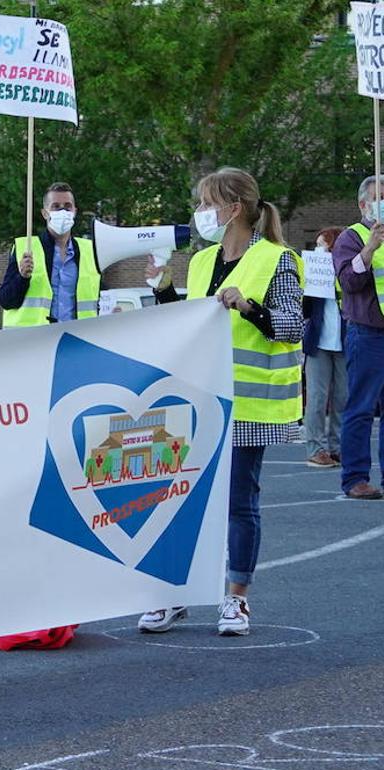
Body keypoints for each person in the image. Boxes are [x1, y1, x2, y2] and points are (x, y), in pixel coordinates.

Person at [143, 167, 303, 637]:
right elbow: (188, 324)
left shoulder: (278, 259)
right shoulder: (200, 261)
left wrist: (249, 307)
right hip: (197, 399)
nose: (198, 212)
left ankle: (236, 599)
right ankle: (175, 593)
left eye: (204, 203)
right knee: (179, 499)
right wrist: (163, 290)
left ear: (232, 208)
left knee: (237, 501)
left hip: (249, 405)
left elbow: (294, 327)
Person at [332, 176, 384, 499]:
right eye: (379, 197)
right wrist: (369, 250)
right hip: (366, 333)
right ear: (364, 205)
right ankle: (355, 478)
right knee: (362, 407)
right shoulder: (352, 238)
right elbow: (348, 282)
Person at [0, 182, 100, 327]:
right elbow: (6, 301)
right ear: (45, 213)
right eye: (56, 206)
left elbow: (98, 299)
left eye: (67, 206)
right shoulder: (25, 247)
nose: (63, 211)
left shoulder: (90, 250)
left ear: (75, 212)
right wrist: (22, 278)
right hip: (35, 340)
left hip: (75, 340)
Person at [302, 227, 346, 468]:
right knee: (317, 398)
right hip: (318, 343)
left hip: (345, 342)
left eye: (324, 246)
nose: (320, 251)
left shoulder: (346, 270)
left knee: (343, 397)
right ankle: (316, 448)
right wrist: (308, 287)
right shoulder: (314, 274)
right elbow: (305, 310)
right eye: (317, 246)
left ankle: (337, 447)